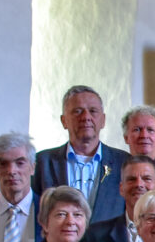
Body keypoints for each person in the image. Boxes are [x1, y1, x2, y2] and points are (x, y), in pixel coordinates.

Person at [33, 85, 126, 223]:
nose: (86, 117)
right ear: (64, 121)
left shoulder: (123, 162)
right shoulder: (42, 162)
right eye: (77, 111)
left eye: (93, 111)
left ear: (103, 120)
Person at [0, 132, 41, 242]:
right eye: (3, 164)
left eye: (20, 163)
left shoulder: (48, 211)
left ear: (33, 167)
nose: (11, 171)